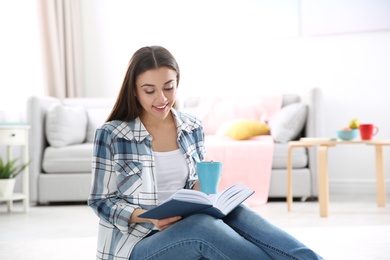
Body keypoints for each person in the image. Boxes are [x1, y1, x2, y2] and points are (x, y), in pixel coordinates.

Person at [88, 45, 323, 260]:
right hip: (135, 243)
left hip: (186, 219)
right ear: (134, 91)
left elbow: (193, 188)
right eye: (149, 91)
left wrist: (203, 190)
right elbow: (101, 201)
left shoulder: (192, 127)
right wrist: (150, 216)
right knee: (201, 228)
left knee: (239, 213)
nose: (161, 99)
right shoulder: (112, 134)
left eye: (168, 87)